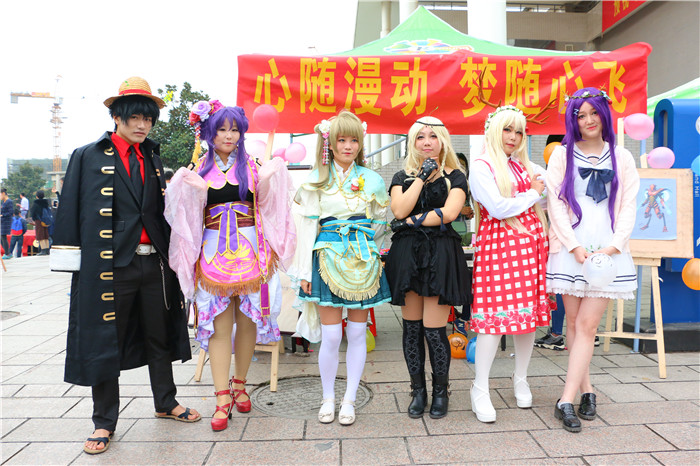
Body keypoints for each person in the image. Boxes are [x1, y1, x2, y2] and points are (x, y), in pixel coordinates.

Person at [51, 77, 199, 455]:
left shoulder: (153, 156)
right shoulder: (87, 155)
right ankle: (104, 421)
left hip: (154, 263)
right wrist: (70, 261)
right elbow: (70, 208)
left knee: (158, 335)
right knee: (107, 340)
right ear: (116, 117)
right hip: (109, 266)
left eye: (147, 119)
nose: (142, 125)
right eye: (135, 118)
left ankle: (166, 401)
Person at [182, 101, 294, 432]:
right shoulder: (198, 168)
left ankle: (240, 384)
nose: (229, 136)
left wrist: (269, 180)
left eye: (234, 129)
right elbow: (185, 218)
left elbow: (269, 207)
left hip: (250, 252)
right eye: (221, 129)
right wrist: (194, 193)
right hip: (212, 254)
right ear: (209, 132)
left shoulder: (253, 167)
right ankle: (221, 397)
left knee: (247, 322)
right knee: (219, 325)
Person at [546, 87, 639, 433]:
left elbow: (628, 206)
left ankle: (565, 399)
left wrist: (613, 247)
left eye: (593, 113)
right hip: (573, 250)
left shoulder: (622, 157)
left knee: (587, 325)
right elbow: (555, 205)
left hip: (607, 252)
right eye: (580, 115)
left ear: (604, 114)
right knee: (572, 323)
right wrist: (573, 247)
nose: (588, 120)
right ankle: (587, 390)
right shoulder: (562, 155)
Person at [290, 110, 391, 426]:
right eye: (342, 140)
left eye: (354, 140)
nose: (348, 146)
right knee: (332, 336)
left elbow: (379, 223)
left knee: (358, 332)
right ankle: (328, 397)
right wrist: (304, 272)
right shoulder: (316, 179)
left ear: (360, 143)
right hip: (326, 259)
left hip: (361, 258)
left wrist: (368, 249)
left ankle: (349, 400)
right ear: (330, 144)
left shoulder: (372, 179)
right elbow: (306, 228)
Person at [468, 106, 550, 423]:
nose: (513, 137)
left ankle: (521, 378)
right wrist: (533, 194)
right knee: (492, 321)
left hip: (529, 249)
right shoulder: (482, 165)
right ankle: (480, 387)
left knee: (526, 319)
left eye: (518, 131)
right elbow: (498, 208)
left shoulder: (524, 165)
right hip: (498, 249)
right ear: (494, 130)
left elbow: (550, 192)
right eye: (507, 129)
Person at [384, 116, 470, 420]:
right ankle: (417, 390)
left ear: (443, 140)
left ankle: (441, 392)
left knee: (434, 331)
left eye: (433, 136)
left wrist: (410, 222)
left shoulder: (456, 176)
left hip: (440, 256)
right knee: (411, 330)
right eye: (420, 137)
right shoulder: (402, 176)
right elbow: (398, 209)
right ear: (412, 142)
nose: (427, 142)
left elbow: (450, 213)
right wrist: (421, 176)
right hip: (408, 257)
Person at [28, 190, 51, 255]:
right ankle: (47, 250)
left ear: (37, 196)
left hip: (39, 221)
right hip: (45, 221)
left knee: (40, 236)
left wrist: (33, 219)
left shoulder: (36, 203)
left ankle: (43, 250)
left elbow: (33, 213)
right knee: (45, 235)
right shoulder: (46, 203)